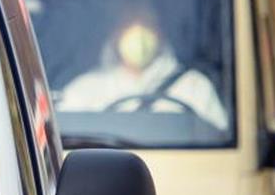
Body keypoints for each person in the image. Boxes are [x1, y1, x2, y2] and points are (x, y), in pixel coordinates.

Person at [56, 10, 229, 131]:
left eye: (147, 23)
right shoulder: (85, 89)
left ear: (160, 32)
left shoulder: (194, 86)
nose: (138, 32)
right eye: (128, 23)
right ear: (115, 33)